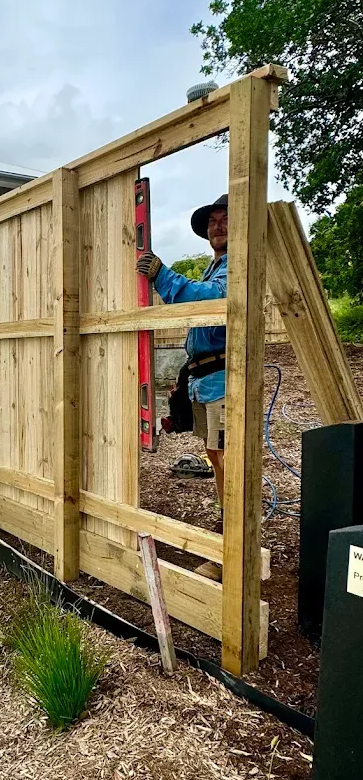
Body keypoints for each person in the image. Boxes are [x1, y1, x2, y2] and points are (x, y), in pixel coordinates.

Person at [136, 193, 228, 537]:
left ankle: (232, 529)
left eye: (224, 220)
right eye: (212, 222)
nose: (217, 227)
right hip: (205, 376)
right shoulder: (215, 265)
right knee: (215, 454)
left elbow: (210, 297)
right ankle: (225, 517)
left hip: (224, 377)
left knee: (227, 455)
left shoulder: (235, 264)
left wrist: (164, 275)